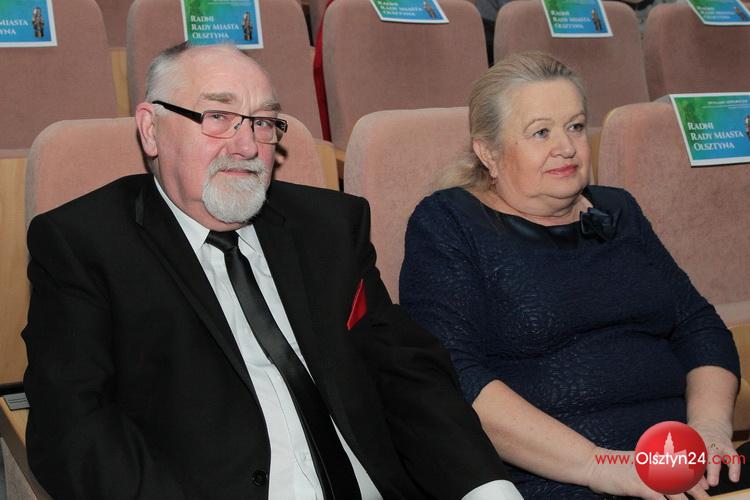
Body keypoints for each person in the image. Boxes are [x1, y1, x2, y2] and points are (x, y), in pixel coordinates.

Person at [21, 42, 522, 500]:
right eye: (218, 116)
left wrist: (485, 489)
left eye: (263, 122)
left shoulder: (329, 226)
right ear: (151, 128)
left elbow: (406, 373)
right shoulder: (85, 244)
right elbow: (73, 426)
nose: (247, 146)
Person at [400, 51, 745, 499]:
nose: (565, 146)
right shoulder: (448, 223)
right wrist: (601, 465)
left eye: (576, 126)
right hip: (556, 476)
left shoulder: (617, 209)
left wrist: (709, 430)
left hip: (678, 463)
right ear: (489, 152)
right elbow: (453, 378)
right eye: (540, 132)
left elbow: (698, 325)